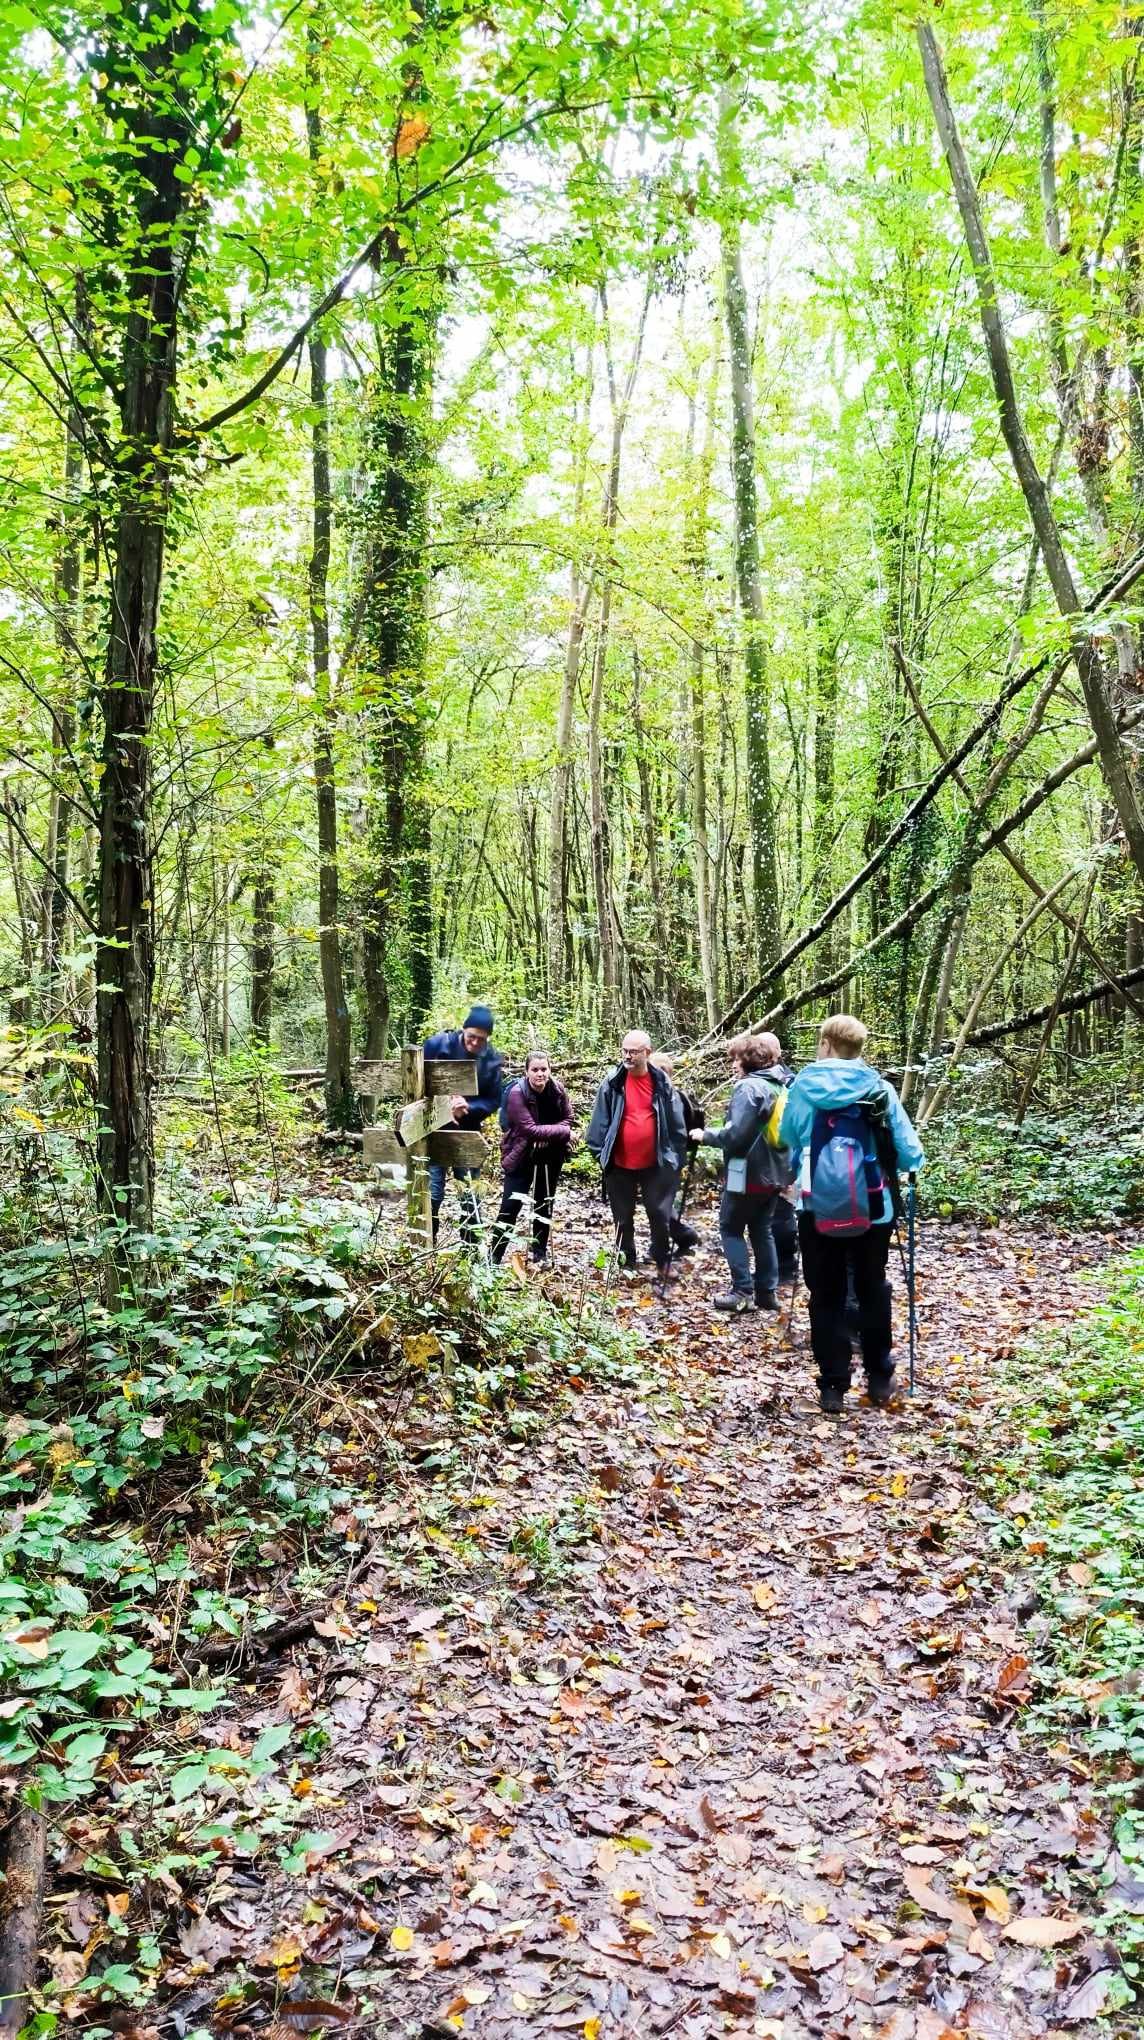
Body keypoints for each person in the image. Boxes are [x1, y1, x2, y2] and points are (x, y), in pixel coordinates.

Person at [781, 1012, 924, 1413]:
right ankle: (879, 1376)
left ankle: (832, 1386)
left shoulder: (802, 1088)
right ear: (859, 1049)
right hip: (873, 1209)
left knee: (825, 1294)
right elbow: (911, 1152)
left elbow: (786, 1135)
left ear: (825, 1044)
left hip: (816, 1206)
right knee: (871, 1288)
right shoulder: (879, 1090)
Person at [688, 1033, 792, 1313]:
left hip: (745, 1172)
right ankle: (767, 1293)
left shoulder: (749, 1088)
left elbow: (735, 1136)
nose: (732, 1064)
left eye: (735, 1058)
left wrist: (704, 1135)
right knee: (762, 1229)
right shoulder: (779, 1085)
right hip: (774, 1173)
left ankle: (742, 1291)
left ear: (746, 1060)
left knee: (730, 1227)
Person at [586, 1030, 687, 1279]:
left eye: (634, 1052)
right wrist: (601, 1155)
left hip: (655, 1163)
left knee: (659, 1213)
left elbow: (676, 1125)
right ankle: (627, 1262)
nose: (628, 1056)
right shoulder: (612, 1082)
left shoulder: (662, 1083)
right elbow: (598, 1123)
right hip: (619, 1165)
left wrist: (675, 1159)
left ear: (647, 1053)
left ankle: (663, 1260)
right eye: (625, 1051)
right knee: (623, 1217)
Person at [421, 1005, 505, 1246]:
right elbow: (416, 1083)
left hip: (467, 1132)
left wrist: (467, 1106)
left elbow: (494, 1099)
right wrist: (445, 1103)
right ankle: (427, 1247)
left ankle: (470, 1249)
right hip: (433, 1129)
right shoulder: (437, 1046)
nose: (475, 1043)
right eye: (471, 1037)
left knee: (470, 1197)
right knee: (432, 1195)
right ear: (463, 1030)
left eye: (481, 1039)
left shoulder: (490, 1060)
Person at [490, 1050, 572, 1267]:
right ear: (527, 1072)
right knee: (510, 1207)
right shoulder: (517, 1093)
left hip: (550, 1155)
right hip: (521, 1155)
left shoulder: (557, 1089)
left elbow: (568, 1118)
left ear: (550, 1070)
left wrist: (550, 1133)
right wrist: (561, 1133)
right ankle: (494, 1256)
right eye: (535, 1070)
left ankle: (539, 1253)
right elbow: (529, 1130)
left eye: (544, 1069)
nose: (540, 1074)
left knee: (544, 1204)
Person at [755, 1031, 799, 1287]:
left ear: (778, 1053)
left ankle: (786, 1267)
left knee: (782, 1216)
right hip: (759, 1162)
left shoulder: (790, 1082)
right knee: (762, 1220)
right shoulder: (752, 1080)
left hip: (783, 1159)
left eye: (767, 1050)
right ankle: (770, 1270)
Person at [649, 1051, 702, 1260]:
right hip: (663, 1159)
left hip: (668, 1160)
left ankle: (681, 1237)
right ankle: (673, 1240)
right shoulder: (663, 1096)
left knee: (659, 1205)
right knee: (659, 1204)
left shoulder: (672, 1098)